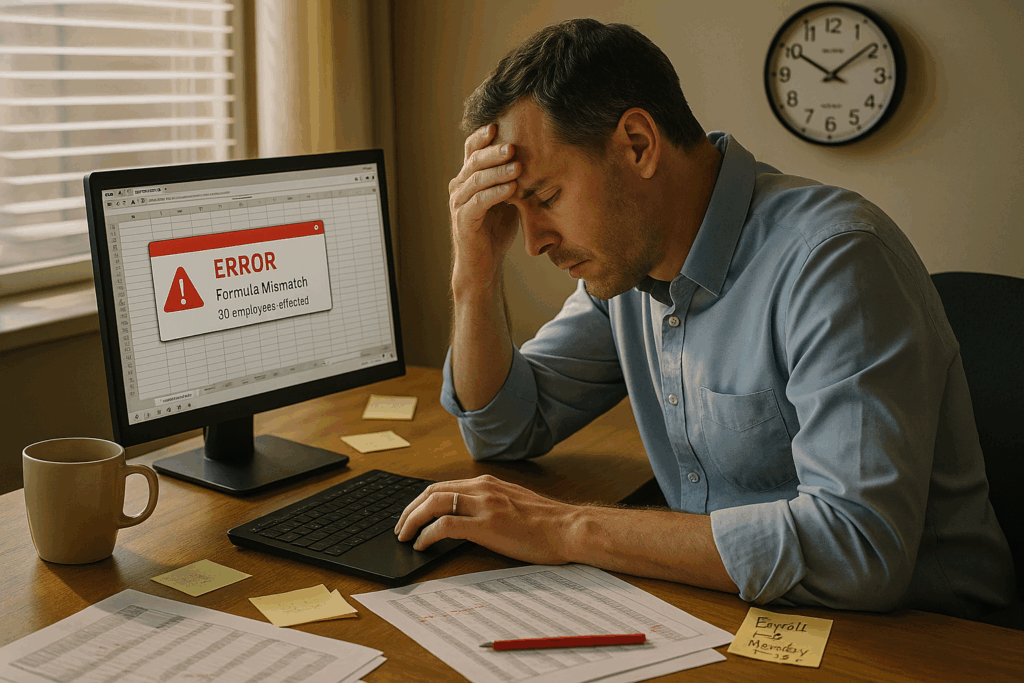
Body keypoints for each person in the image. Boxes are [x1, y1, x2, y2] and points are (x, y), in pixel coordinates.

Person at [393, 18, 1015, 620]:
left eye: (547, 198)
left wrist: (567, 527)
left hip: (925, 638)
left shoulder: (835, 263)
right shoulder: (628, 270)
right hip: (731, 612)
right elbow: (502, 429)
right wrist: (474, 275)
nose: (533, 243)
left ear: (638, 145)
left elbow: (858, 550)